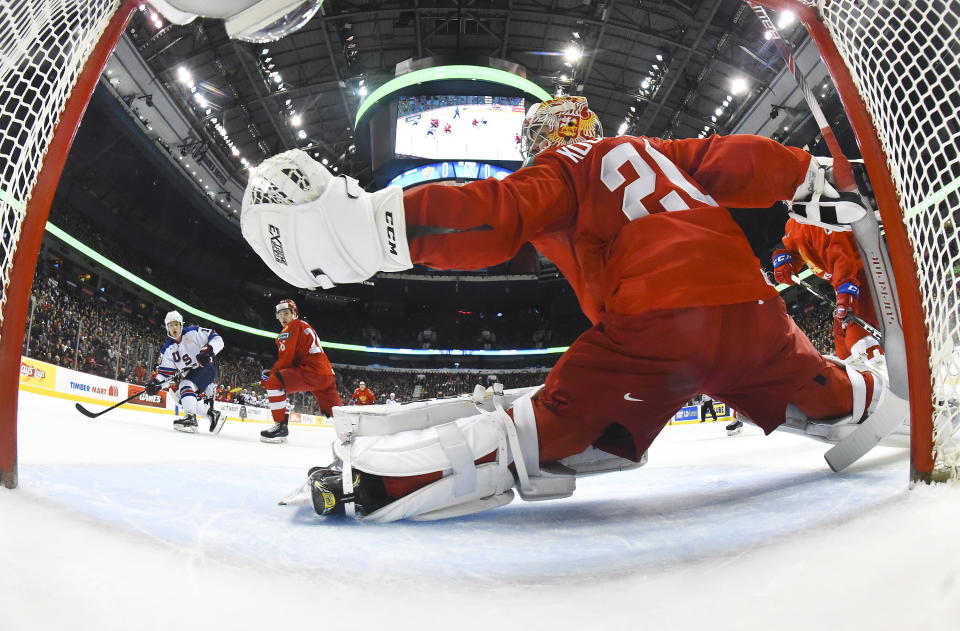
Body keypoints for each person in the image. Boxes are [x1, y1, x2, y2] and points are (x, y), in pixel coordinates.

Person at [241, 96, 890, 522]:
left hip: (655, 325)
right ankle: (874, 397)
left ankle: (379, 486)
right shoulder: (659, 152)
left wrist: (377, 227)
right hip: (749, 309)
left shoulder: (563, 169)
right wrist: (812, 177)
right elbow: (737, 157)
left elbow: (494, 215)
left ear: (545, 141)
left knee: (541, 430)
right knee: (819, 394)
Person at [771, 218, 882, 362]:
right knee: (843, 349)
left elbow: (840, 257)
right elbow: (798, 249)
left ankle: (883, 374)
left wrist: (846, 290)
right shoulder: (793, 223)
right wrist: (787, 261)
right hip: (842, 283)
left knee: (858, 338)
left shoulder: (818, 216)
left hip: (861, 274)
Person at [259, 299, 341, 443]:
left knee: (274, 382)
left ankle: (281, 427)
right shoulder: (303, 326)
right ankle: (354, 435)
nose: (283, 317)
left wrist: (271, 375)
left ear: (294, 314)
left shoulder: (292, 327)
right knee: (337, 412)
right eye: (280, 314)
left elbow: (286, 359)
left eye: (286, 313)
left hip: (312, 372)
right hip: (326, 375)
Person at [145, 311, 223, 434]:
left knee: (185, 385)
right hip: (190, 374)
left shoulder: (193, 332)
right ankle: (212, 414)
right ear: (167, 328)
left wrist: (209, 350)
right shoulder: (167, 349)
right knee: (181, 397)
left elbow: (217, 338)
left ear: (181, 325)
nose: (174, 328)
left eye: (176, 324)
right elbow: (166, 375)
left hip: (206, 368)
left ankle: (190, 419)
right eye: (171, 325)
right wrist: (156, 383)